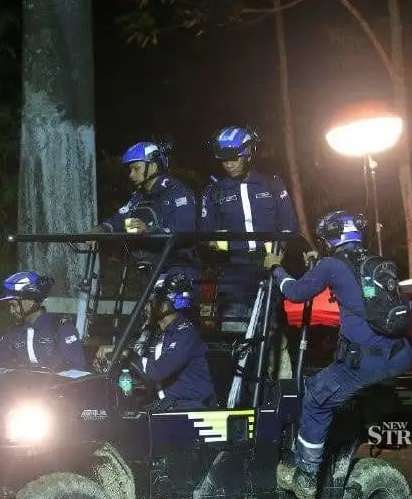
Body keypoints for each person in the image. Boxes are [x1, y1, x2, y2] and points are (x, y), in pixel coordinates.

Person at [263, 211, 412, 499]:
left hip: (368, 361)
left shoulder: (332, 264)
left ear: (332, 239)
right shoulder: (376, 262)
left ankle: (306, 476)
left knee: (316, 398)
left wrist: (276, 269)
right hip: (400, 354)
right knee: (328, 382)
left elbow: (294, 292)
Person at [200, 126, 313, 326]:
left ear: (249, 154)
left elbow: (290, 228)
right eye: (223, 159)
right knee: (235, 335)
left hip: (271, 269)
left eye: (234, 157)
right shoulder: (213, 192)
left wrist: (301, 249)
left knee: (270, 336)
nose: (228, 164)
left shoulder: (273, 185)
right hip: (234, 275)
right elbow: (206, 235)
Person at [94, 273, 216, 411]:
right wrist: (109, 364)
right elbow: (141, 372)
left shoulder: (185, 334)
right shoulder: (158, 334)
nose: (145, 307)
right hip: (169, 406)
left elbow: (157, 371)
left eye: (149, 302)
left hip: (193, 409)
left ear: (163, 306)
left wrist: (124, 352)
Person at [90, 141, 200, 281]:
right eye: (130, 170)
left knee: (166, 303)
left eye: (136, 169)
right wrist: (102, 228)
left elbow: (185, 231)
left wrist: (149, 230)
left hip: (179, 268)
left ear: (153, 167)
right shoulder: (139, 195)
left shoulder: (177, 192)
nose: (131, 175)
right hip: (151, 269)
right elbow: (121, 217)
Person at [0, 271, 86, 371]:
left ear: (30, 300)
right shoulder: (15, 334)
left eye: (14, 304)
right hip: (23, 401)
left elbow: (76, 369)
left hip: (57, 402)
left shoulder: (61, 328)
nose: (11, 311)